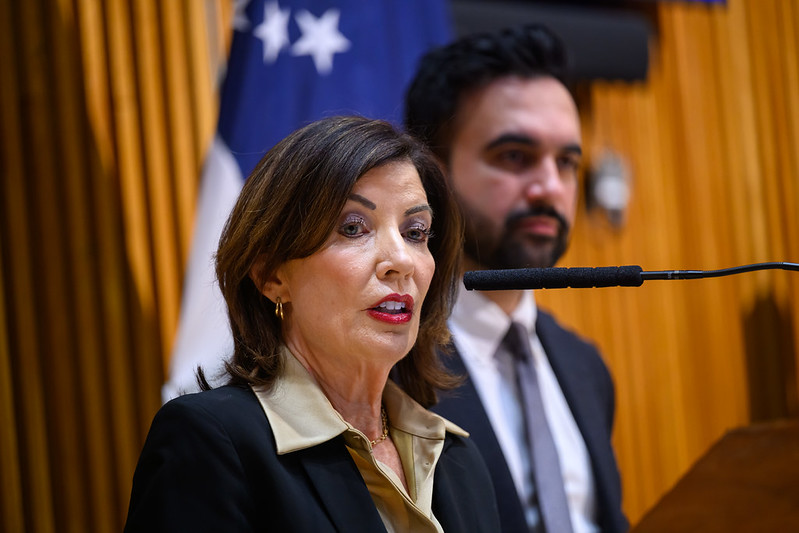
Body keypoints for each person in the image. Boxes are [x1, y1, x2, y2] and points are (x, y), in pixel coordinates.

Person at [124, 116, 501, 532]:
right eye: (354, 228)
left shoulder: (459, 458)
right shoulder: (211, 442)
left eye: (416, 232)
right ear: (271, 276)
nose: (401, 262)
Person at [405, 25, 628, 533]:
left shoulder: (584, 365)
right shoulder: (387, 365)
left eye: (567, 161)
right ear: (430, 176)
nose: (550, 187)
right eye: (515, 157)